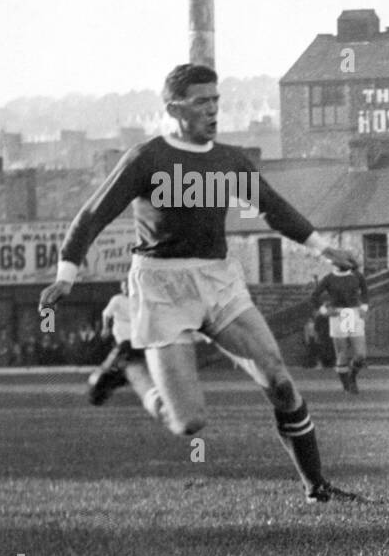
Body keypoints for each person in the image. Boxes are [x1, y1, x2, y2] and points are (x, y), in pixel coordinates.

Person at [39, 63, 360, 502]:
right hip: (160, 286)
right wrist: (66, 274)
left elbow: (273, 209)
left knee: (280, 381)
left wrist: (325, 249)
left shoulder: (228, 159)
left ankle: (316, 487)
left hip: (218, 279)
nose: (212, 110)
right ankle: (129, 367)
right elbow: (94, 215)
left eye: (216, 101)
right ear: (174, 108)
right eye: (201, 102)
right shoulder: (147, 158)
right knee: (187, 423)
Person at [86, 279, 164, 417]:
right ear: (122, 288)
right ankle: (104, 388)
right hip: (125, 342)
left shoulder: (139, 301)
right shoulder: (117, 299)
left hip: (137, 341)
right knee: (120, 369)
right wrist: (105, 327)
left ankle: (102, 390)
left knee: (123, 369)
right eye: (124, 286)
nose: (126, 288)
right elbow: (106, 314)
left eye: (129, 285)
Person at [312, 261, 369, 393]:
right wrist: (325, 311)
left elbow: (365, 292)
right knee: (342, 353)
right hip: (338, 314)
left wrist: (364, 307)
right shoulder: (329, 278)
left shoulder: (357, 276)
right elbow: (314, 296)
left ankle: (352, 377)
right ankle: (347, 386)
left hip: (354, 313)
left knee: (360, 354)